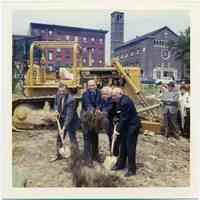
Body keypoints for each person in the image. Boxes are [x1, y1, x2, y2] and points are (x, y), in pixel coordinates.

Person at [111, 87, 141, 177]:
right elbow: (119, 115)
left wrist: (117, 130)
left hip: (132, 127)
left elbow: (124, 118)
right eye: (112, 96)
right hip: (126, 126)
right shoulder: (118, 101)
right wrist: (116, 119)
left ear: (120, 94)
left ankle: (132, 170)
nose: (113, 98)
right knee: (123, 146)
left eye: (114, 96)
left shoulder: (125, 102)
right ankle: (120, 165)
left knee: (130, 148)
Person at [53, 83, 80, 160]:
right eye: (60, 91)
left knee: (72, 137)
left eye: (63, 91)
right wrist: (56, 110)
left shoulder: (71, 99)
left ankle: (75, 156)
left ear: (67, 90)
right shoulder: (58, 95)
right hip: (61, 119)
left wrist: (64, 128)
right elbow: (55, 104)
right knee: (59, 137)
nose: (61, 93)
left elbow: (69, 115)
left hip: (71, 121)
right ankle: (58, 154)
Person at [81, 80, 101, 166]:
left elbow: (100, 103)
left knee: (95, 137)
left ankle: (95, 155)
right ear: (87, 86)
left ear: (96, 85)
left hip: (96, 119)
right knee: (87, 138)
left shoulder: (99, 93)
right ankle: (87, 159)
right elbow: (88, 105)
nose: (91, 87)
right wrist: (95, 110)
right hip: (87, 118)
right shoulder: (85, 94)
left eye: (93, 85)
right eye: (89, 86)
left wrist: (99, 108)